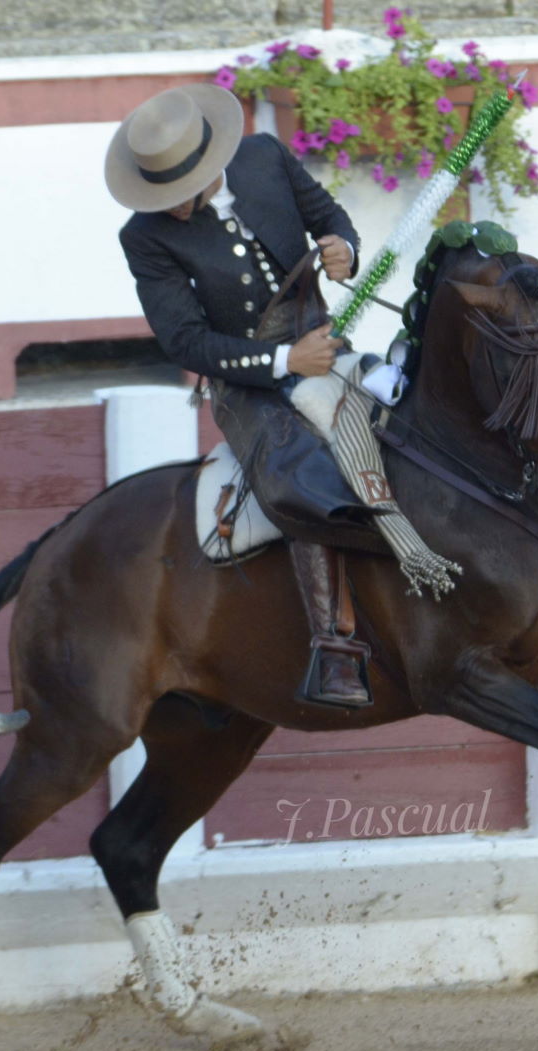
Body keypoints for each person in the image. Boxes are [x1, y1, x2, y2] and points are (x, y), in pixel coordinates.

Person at [105, 83, 376, 709]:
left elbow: (330, 218)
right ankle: (335, 647)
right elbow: (186, 340)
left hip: (323, 340)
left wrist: (344, 249)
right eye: (159, 197)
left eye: (179, 193)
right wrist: (284, 361)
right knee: (296, 474)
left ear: (210, 166)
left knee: (406, 410)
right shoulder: (143, 237)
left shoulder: (264, 157)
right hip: (244, 381)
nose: (171, 209)